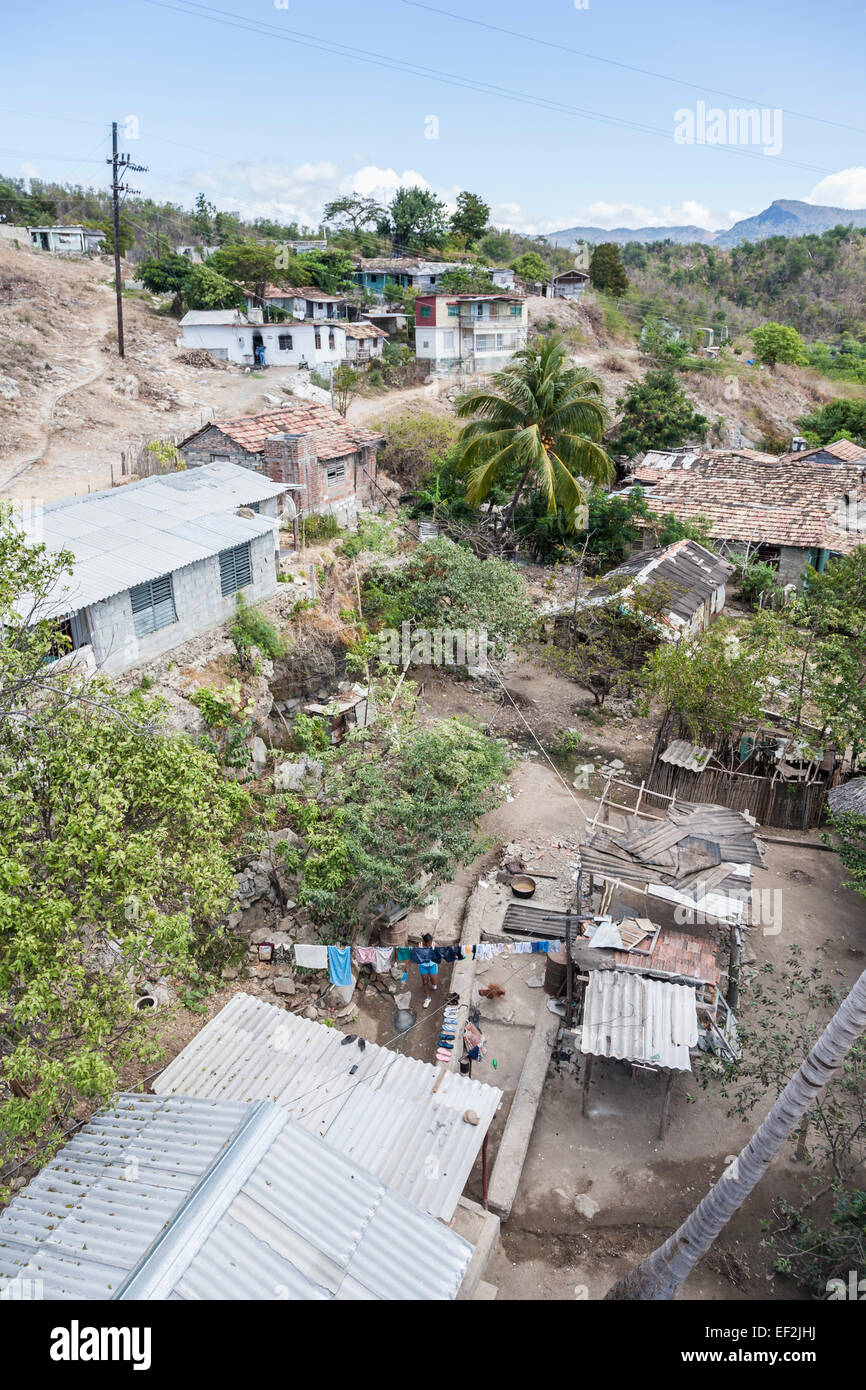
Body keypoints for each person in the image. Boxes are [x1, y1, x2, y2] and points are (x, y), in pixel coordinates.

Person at [412, 933, 438, 1008]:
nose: (430, 944)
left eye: (431, 943)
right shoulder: (419, 946)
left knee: (434, 981)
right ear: (425, 942)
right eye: (429, 943)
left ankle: (434, 984)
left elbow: (441, 950)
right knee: (425, 982)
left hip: (432, 965)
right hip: (423, 966)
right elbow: (414, 954)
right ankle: (428, 998)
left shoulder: (434, 944)